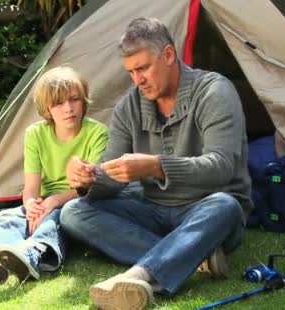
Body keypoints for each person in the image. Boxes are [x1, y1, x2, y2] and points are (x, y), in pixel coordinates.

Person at [60, 17, 252, 310]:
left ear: (169, 55)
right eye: (131, 72)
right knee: (73, 211)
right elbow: (111, 175)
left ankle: (139, 276)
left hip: (205, 208)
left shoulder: (215, 91)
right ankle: (193, 256)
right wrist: (89, 179)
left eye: (143, 68)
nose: (138, 79)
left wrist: (156, 166)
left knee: (226, 206)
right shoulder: (129, 105)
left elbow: (221, 167)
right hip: (152, 208)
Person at [0, 66, 108, 284]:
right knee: (6, 217)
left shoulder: (97, 132)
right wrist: (31, 206)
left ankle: (29, 256)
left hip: (78, 202)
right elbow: (31, 188)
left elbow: (90, 186)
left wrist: (53, 202)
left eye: (74, 99)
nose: (68, 109)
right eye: (58, 103)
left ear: (83, 100)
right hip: (44, 201)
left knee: (52, 220)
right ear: (47, 109)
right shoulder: (35, 134)